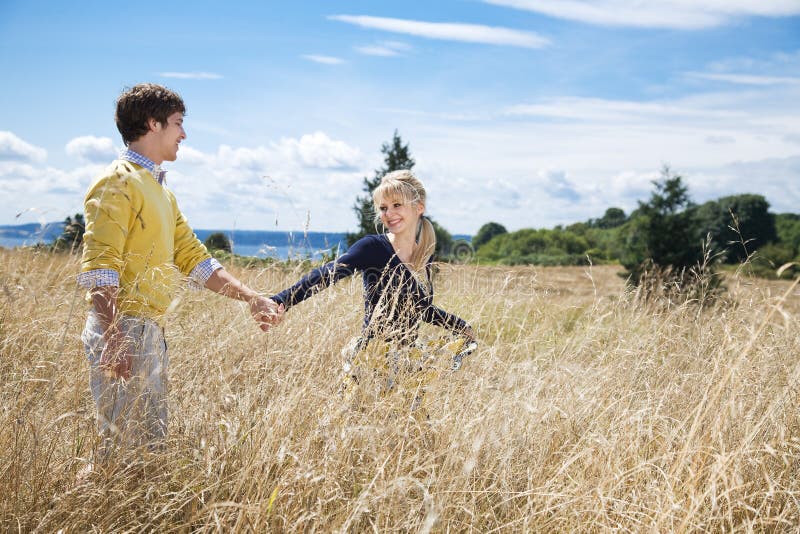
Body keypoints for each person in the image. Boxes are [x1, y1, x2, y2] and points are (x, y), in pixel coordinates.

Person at [77, 83, 281, 462]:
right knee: (119, 452)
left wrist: (252, 298)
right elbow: (100, 268)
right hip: (122, 328)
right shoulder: (117, 181)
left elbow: (196, 260)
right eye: (177, 123)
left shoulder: (162, 192)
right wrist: (113, 336)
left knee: (150, 447)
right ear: (153, 124)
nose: (183, 134)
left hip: (148, 331)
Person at [269, 170, 475, 409]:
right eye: (383, 208)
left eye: (396, 205)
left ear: (419, 207)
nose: (389, 214)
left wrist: (460, 326)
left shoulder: (423, 256)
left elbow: (420, 308)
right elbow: (327, 274)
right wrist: (281, 300)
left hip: (407, 361)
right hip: (371, 360)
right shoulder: (372, 247)